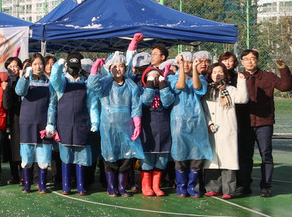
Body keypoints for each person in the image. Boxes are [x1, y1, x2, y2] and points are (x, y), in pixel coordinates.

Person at [235, 50, 291, 197]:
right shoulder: (238, 78)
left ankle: (266, 186)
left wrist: (283, 68)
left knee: (266, 155)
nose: (249, 61)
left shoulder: (268, 76)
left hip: (264, 123)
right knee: (244, 155)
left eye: (252, 59)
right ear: (242, 62)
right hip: (244, 123)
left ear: (257, 60)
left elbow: (285, 86)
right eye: (246, 59)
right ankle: (244, 185)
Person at [89, 54, 145, 197]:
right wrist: (95, 69)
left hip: (126, 126)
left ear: (125, 68)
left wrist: (137, 122)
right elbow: (93, 86)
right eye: (114, 66)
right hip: (108, 126)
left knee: (126, 158)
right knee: (110, 157)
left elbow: (136, 105)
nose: (118, 69)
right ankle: (111, 186)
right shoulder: (105, 83)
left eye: (121, 66)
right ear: (109, 68)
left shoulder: (131, 85)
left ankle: (121, 186)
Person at [50, 52, 99, 195]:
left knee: (81, 156)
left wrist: (95, 121)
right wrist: (56, 68)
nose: (73, 71)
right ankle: (66, 185)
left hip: (82, 124)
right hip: (64, 124)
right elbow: (54, 80)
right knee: (66, 156)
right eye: (71, 68)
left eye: (76, 68)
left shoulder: (86, 83)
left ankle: (80, 185)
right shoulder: (62, 82)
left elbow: (92, 104)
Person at [202, 62, 248, 199]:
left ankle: (229, 190)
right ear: (210, 75)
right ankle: (212, 187)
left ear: (225, 74)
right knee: (212, 160)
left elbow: (243, 99)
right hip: (212, 131)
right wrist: (208, 123)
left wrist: (241, 81)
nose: (217, 74)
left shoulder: (231, 90)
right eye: (214, 72)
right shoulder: (207, 90)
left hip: (227, 130)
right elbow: (204, 110)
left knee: (228, 160)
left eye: (220, 72)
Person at [169, 52, 211, 198]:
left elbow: (197, 88)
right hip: (179, 121)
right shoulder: (172, 78)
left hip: (197, 121)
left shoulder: (201, 79)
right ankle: (181, 186)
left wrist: (194, 69)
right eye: (184, 62)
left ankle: (192, 186)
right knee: (180, 154)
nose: (186, 64)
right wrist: (181, 66)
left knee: (197, 155)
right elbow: (180, 86)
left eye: (189, 62)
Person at [15, 54, 57, 193]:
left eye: (40, 64)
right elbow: (19, 91)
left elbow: (52, 104)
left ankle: (42, 183)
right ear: (30, 66)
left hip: (43, 122)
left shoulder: (48, 83)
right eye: (35, 64)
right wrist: (25, 77)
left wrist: (50, 123)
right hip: (27, 121)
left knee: (43, 153)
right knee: (27, 154)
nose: (38, 67)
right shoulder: (26, 80)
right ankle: (27, 184)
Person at [139, 63, 174, 196]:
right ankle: (146, 186)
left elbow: (167, 102)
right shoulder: (141, 89)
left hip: (163, 127)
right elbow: (145, 102)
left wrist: (163, 86)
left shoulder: (165, 89)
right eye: (151, 77)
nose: (154, 79)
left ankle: (156, 185)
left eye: (157, 76)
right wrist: (149, 87)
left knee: (162, 157)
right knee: (147, 157)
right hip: (148, 127)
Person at [4, 57, 23, 186]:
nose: (12, 68)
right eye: (10, 66)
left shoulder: (23, 82)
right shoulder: (5, 83)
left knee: (20, 148)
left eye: (15, 66)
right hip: (8, 119)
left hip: (21, 118)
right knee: (10, 148)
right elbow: (6, 104)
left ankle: (23, 175)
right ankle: (14, 175)